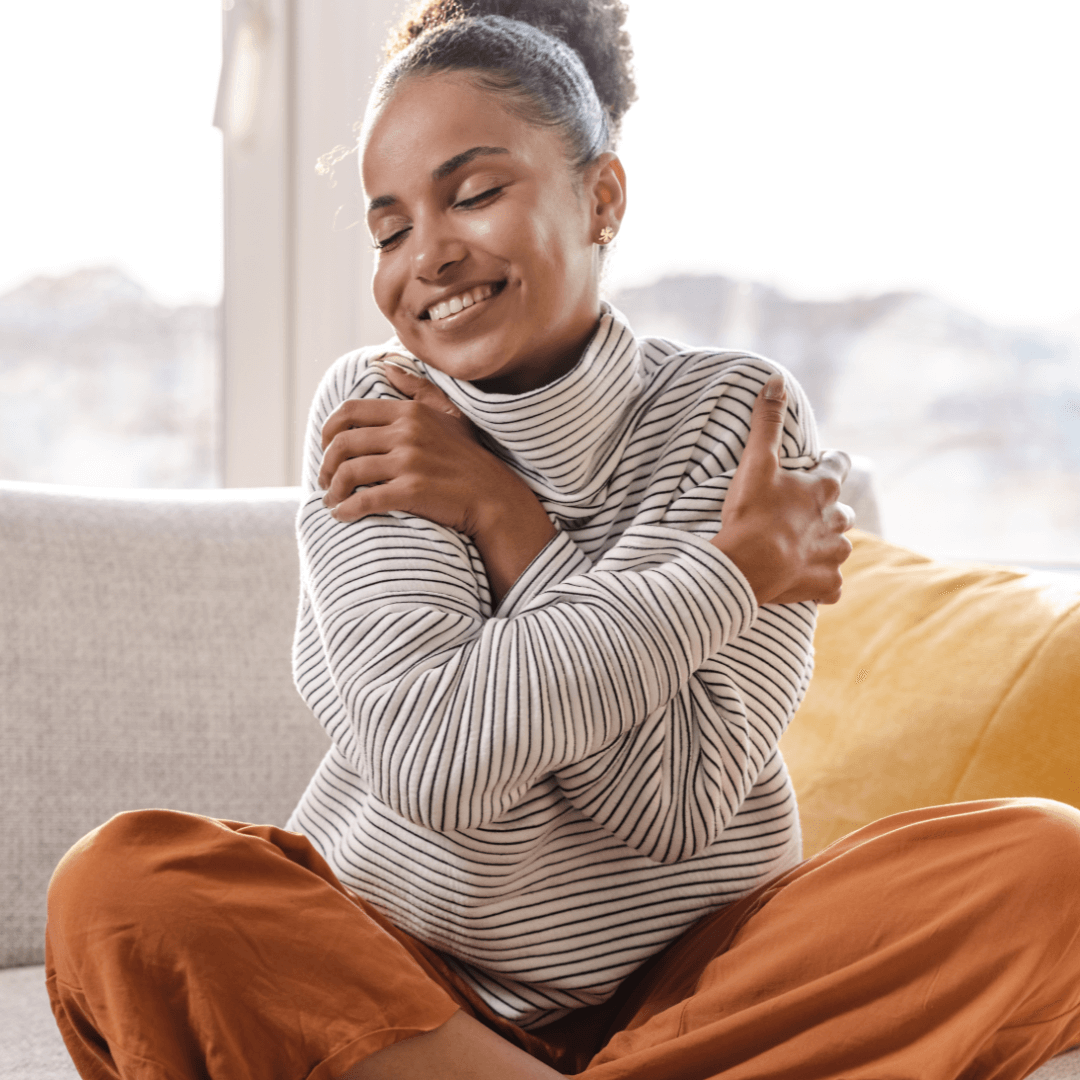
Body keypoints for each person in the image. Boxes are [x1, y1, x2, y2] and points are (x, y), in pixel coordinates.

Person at [45, 2, 1080, 1078]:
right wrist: (725, 577)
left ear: (602, 197)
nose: (428, 256)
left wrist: (510, 520)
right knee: (122, 888)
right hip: (403, 981)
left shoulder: (738, 417)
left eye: (474, 194)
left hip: (696, 980)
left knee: (1052, 865)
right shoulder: (377, 410)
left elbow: (673, 807)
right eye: (390, 229)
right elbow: (435, 762)